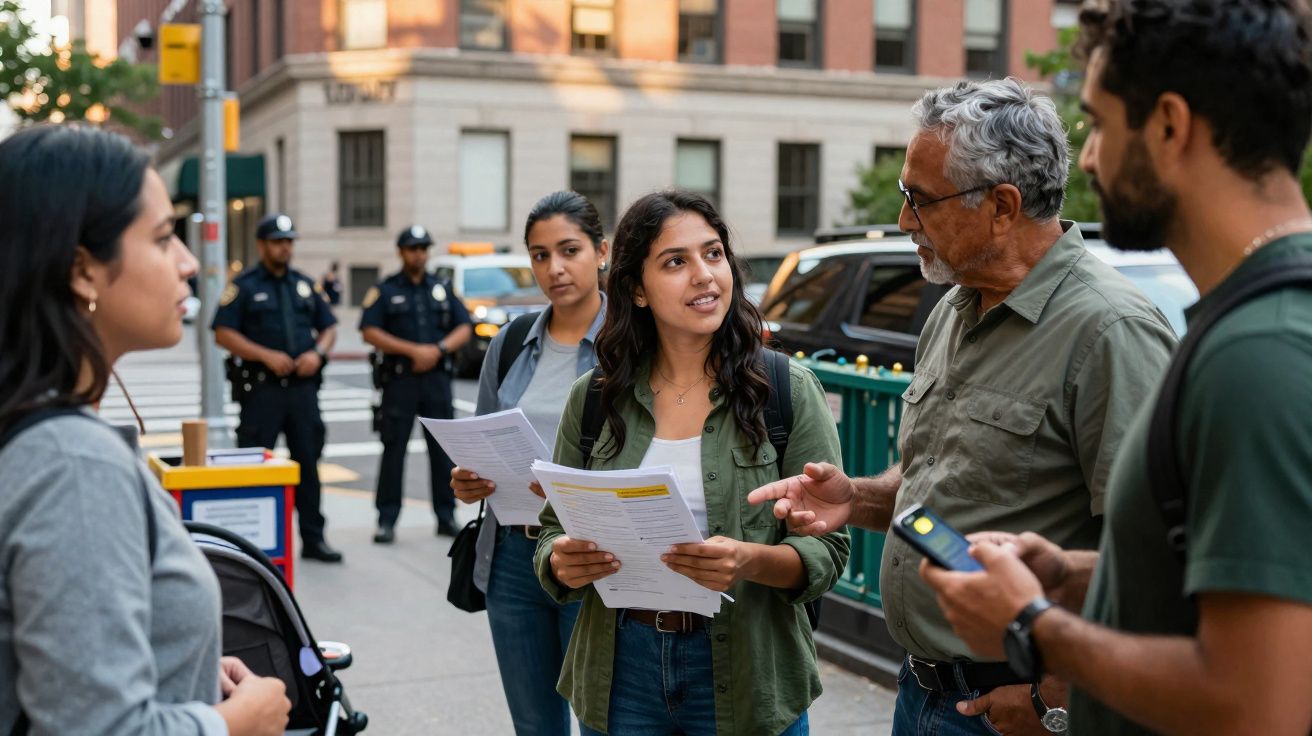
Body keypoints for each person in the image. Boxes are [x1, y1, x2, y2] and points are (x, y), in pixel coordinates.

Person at [919, 2, 1312, 735]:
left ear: (1169, 124)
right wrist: (1072, 575)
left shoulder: (1260, 355)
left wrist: (1032, 627)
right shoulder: (1248, 326)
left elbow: (1260, 703)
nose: (1089, 159)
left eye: (1099, 123)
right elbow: (1222, 580)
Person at [748, 78, 1178, 735]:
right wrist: (855, 498)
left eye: (919, 200)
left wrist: (1052, 700)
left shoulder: (1110, 331)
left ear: (1003, 206)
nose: (902, 222)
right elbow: (944, 479)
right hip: (921, 691)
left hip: (1010, 711)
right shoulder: (954, 306)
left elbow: (1155, 558)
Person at [0, 124, 291, 735]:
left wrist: (179, 671)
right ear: (82, 269)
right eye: (162, 240)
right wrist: (234, 724)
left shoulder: (42, 434)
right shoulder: (73, 464)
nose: (188, 263)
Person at [532, 190, 850, 736]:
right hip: (620, 671)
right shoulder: (594, 398)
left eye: (713, 254)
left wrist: (749, 560)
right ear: (636, 290)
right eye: (676, 262)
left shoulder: (785, 389)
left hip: (749, 667)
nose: (704, 275)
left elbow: (828, 550)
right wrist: (561, 563)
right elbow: (551, 532)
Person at [449, 191, 609, 735]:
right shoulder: (514, 339)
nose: (554, 268)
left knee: (600, 720)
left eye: (569, 250)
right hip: (512, 557)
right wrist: (468, 479)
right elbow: (483, 436)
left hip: (591, 555)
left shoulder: (629, 345)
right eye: (539, 255)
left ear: (601, 251)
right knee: (534, 726)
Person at [212, 213, 343, 562]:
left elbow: (329, 326)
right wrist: (265, 355)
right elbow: (223, 332)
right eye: (277, 241)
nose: (285, 247)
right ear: (261, 245)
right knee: (253, 467)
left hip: (302, 391)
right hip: (262, 391)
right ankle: (249, 544)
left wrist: (317, 352)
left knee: (308, 466)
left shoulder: (303, 284)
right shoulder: (244, 286)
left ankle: (313, 539)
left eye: (289, 241)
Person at [360, 225, 473, 541]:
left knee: (442, 453)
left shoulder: (441, 287)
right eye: (413, 249)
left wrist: (438, 350)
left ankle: (445, 515)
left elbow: (464, 325)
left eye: (424, 248)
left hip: (436, 381)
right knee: (393, 450)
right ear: (401, 252)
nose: (419, 254)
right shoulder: (386, 290)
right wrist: (413, 351)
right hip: (400, 382)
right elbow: (369, 330)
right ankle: (386, 520)